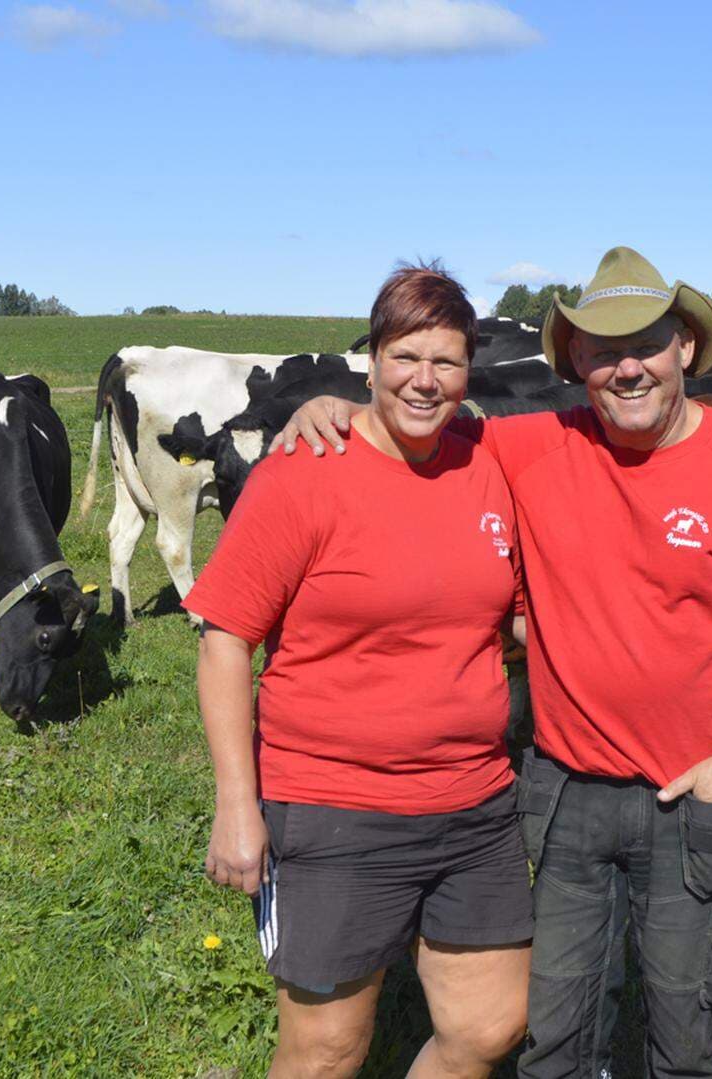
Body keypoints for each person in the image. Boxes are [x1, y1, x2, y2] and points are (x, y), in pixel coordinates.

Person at [276, 246, 712, 1076]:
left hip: (697, 794)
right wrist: (332, 406)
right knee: (552, 1032)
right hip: (568, 793)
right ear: (577, 358)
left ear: (686, 347)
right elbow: (414, 418)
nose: (629, 368)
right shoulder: (532, 446)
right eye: (605, 350)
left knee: (684, 1024)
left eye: (647, 344)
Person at [185, 263, 532, 1078]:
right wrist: (236, 803)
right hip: (334, 806)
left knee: (490, 1026)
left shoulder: (486, 468)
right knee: (327, 1049)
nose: (424, 379)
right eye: (405, 356)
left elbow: (511, 614)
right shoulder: (303, 473)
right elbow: (225, 639)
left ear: (469, 372)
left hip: (474, 802)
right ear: (371, 361)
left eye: (445, 361)